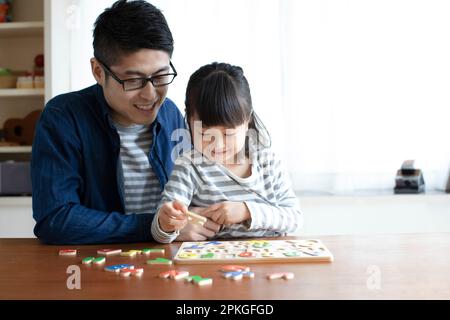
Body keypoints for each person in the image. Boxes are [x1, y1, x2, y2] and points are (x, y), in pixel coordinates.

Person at [31, 0, 191, 244]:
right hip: (97, 268)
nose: (150, 95)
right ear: (98, 71)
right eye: (133, 80)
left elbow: (194, 189)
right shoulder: (63, 116)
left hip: (167, 262)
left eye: (160, 76)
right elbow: (55, 218)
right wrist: (155, 226)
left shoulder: (170, 113)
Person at [152, 62, 303, 243]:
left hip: (267, 262)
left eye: (228, 133)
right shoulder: (189, 166)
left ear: (247, 121)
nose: (218, 144)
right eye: (204, 133)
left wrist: (246, 211)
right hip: (211, 263)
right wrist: (167, 223)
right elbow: (159, 231)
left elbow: (294, 218)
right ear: (189, 121)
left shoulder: (268, 162)